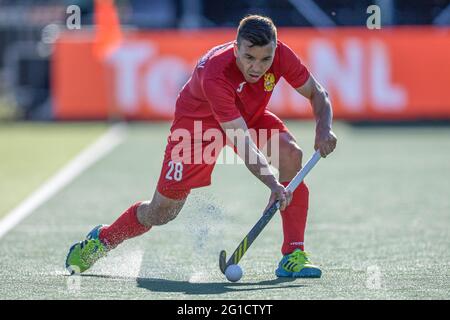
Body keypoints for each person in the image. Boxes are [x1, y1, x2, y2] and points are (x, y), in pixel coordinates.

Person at [65, 14, 337, 278]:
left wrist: (324, 128)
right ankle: (102, 240)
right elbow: (241, 142)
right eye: (249, 58)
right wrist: (272, 184)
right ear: (235, 48)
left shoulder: (281, 56)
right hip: (197, 127)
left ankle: (293, 255)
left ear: (275, 50)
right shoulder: (215, 74)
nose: (257, 67)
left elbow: (317, 93)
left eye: (265, 59)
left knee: (291, 154)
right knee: (162, 212)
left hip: (248, 116)